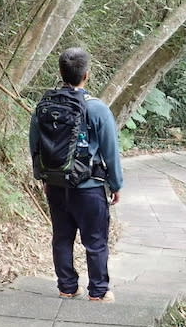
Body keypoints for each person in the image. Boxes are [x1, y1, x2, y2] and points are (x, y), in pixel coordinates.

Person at [29, 47, 124, 302]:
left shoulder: (44, 106)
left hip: (57, 185)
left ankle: (67, 287)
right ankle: (99, 291)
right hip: (89, 187)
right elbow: (110, 150)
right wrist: (116, 184)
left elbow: (35, 146)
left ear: (61, 72)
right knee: (95, 241)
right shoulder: (97, 109)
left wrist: (44, 179)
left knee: (62, 237)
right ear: (87, 75)